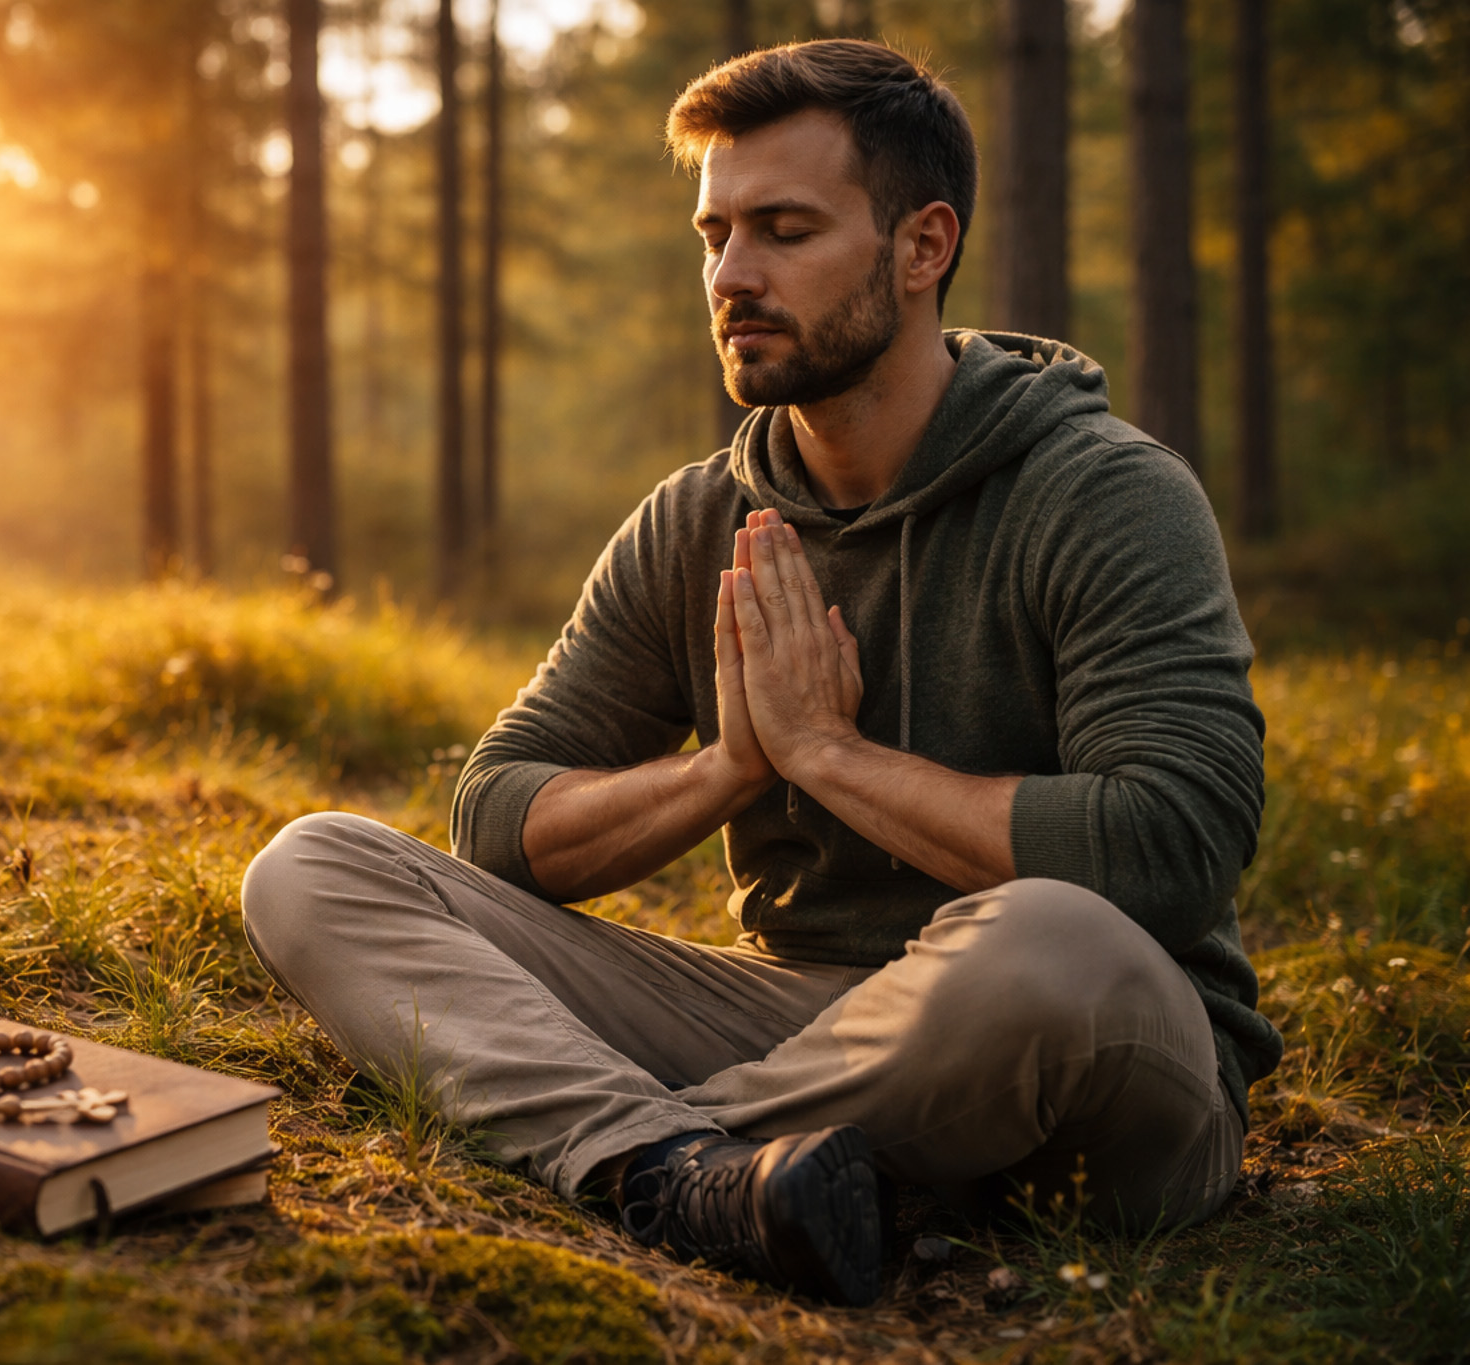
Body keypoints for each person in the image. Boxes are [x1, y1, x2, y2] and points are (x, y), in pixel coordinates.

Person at [240, 38, 1281, 1306]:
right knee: (316, 865)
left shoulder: (1105, 496)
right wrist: (730, 767)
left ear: (921, 247)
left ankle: (611, 1138)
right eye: (713, 234)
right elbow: (498, 821)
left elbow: (1170, 851)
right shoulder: (696, 522)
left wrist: (832, 759)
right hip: (800, 1019)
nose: (731, 275)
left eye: (783, 230)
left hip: (1093, 1065)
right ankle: (687, 1173)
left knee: (1047, 939)